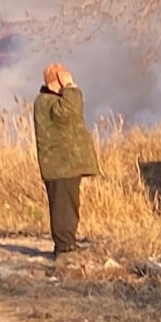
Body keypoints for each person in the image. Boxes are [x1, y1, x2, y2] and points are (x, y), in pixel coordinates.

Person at [31, 64, 99, 257]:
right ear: (56, 82)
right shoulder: (46, 102)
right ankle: (64, 247)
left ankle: (68, 243)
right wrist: (70, 86)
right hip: (60, 165)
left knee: (69, 206)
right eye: (63, 79)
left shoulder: (50, 101)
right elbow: (70, 111)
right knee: (63, 207)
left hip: (65, 165)